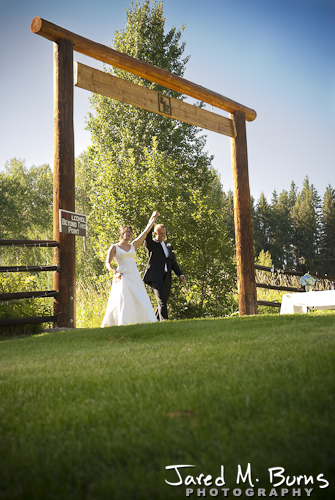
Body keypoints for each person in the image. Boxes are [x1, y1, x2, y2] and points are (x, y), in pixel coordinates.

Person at [101, 212, 159, 327]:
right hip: (122, 276)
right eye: (128, 232)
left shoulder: (134, 245)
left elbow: (145, 232)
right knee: (123, 300)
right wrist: (115, 272)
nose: (130, 234)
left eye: (131, 232)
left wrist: (152, 220)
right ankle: (122, 322)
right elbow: (108, 263)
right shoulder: (114, 247)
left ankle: (142, 321)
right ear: (122, 233)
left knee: (139, 298)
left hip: (134, 276)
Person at [143, 223, 186, 321]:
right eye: (160, 233)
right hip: (155, 277)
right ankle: (165, 322)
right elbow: (147, 237)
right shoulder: (152, 244)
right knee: (162, 301)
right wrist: (151, 222)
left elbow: (173, 263)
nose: (163, 235)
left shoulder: (168, 246)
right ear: (155, 233)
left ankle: (154, 320)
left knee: (163, 301)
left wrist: (180, 274)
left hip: (166, 277)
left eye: (164, 233)